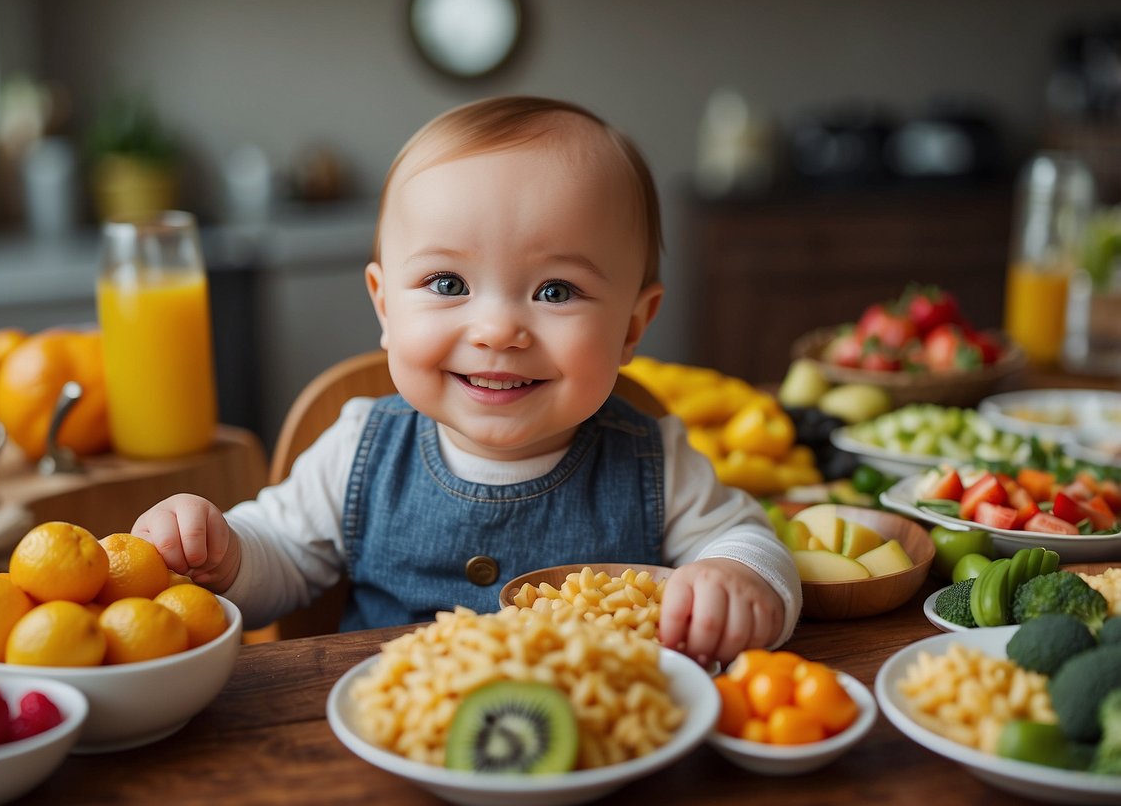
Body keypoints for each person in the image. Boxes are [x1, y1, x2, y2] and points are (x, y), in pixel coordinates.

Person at [132, 96, 801, 667]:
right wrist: (221, 551)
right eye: (447, 284)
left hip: (592, 736)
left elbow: (746, 538)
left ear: (631, 326)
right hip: (396, 731)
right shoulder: (360, 449)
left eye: (555, 289)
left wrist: (737, 578)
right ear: (386, 307)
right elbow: (278, 557)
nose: (496, 330)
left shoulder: (652, 459)